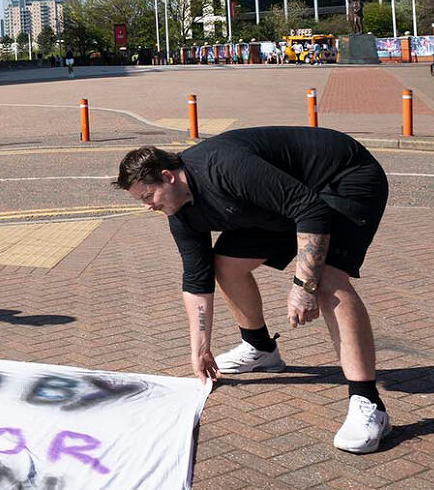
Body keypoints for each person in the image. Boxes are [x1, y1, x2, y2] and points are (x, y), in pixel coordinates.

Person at [115, 128, 392, 454]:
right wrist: (200, 349)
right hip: (289, 203)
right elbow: (196, 278)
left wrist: (304, 285)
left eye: (149, 197)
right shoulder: (182, 215)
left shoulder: (225, 169)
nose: (148, 207)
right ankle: (261, 349)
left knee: (328, 279)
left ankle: (368, 403)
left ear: (168, 177)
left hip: (344, 178)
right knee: (225, 265)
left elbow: (310, 210)